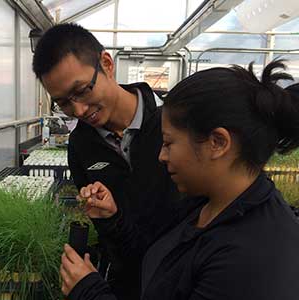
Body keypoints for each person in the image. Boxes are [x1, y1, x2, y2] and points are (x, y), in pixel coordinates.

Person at [59, 60, 299, 300]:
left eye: (169, 143)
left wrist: (88, 292)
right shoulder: (206, 206)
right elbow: (157, 257)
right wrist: (113, 219)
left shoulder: (253, 255)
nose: (162, 156)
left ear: (217, 143)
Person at [32, 23, 182, 300]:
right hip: (129, 281)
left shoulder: (174, 121)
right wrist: (110, 217)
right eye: (63, 102)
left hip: (187, 276)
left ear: (106, 64)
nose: (78, 110)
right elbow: (110, 235)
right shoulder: (80, 146)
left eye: (82, 91)